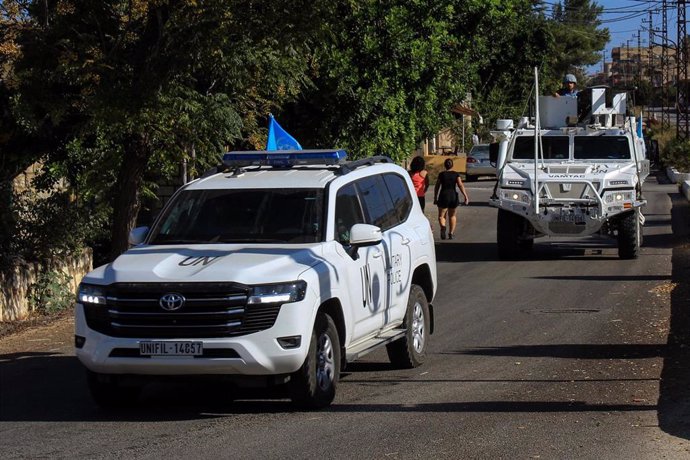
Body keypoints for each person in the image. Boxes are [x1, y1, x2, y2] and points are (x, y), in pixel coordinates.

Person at [433, 158, 469, 240]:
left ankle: (443, 227)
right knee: (452, 215)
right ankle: (451, 233)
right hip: (453, 196)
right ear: (452, 165)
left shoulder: (441, 174)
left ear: (444, 165)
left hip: (443, 196)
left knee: (441, 216)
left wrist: (435, 197)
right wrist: (465, 196)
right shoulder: (456, 174)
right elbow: (460, 185)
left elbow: (437, 186)